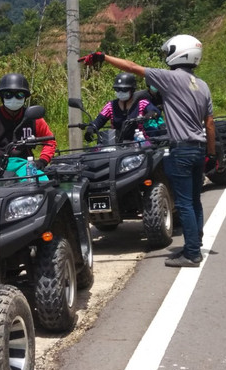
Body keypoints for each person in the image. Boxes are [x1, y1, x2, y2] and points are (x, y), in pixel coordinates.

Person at [80, 35, 215, 267]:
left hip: (181, 150)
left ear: (178, 53)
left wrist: (103, 57)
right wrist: (211, 155)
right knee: (194, 201)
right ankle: (194, 244)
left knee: (183, 203)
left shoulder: (171, 78)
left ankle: (192, 253)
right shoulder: (202, 85)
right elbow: (210, 124)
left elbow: (132, 67)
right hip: (199, 148)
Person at [0, 72, 56, 169]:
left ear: (25, 97)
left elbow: (50, 141)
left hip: (25, 167)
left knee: (44, 181)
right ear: (2, 97)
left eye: (19, 95)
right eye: (8, 95)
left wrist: (43, 160)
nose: (14, 98)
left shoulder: (33, 117)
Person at [83, 72, 161, 142]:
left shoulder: (142, 104)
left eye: (124, 90)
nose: (120, 92)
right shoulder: (111, 106)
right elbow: (99, 120)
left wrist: (149, 114)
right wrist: (91, 129)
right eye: (117, 89)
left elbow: (155, 111)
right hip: (117, 144)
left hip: (139, 143)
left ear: (132, 90)